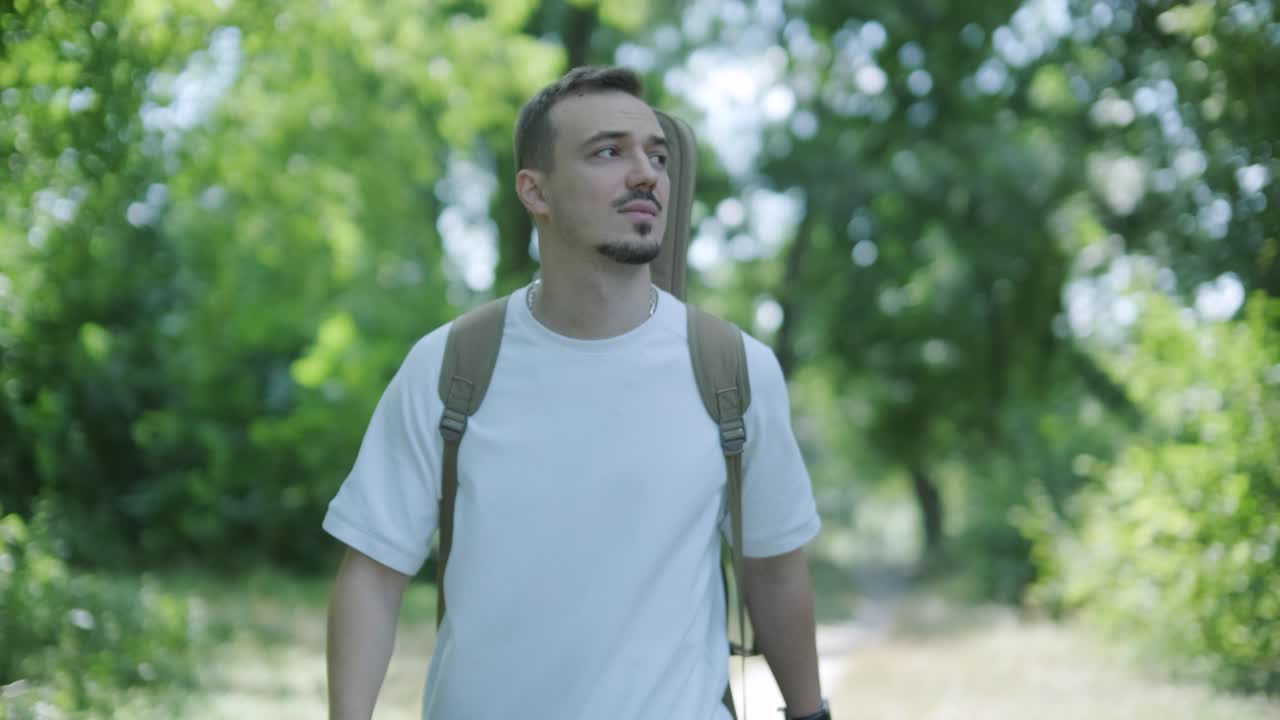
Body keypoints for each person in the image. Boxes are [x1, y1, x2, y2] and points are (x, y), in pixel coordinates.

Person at [323, 65, 829, 720]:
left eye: (658, 155)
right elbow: (372, 573)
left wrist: (811, 713)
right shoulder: (451, 367)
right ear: (536, 191)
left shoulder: (732, 371)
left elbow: (775, 570)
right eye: (608, 152)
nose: (645, 173)